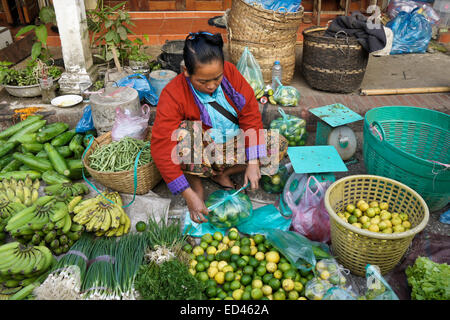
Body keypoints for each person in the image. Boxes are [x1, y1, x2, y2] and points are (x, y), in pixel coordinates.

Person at [151, 32, 287, 224]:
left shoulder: (231, 74)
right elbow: (162, 146)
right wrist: (188, 194)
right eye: (203, 81)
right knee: (185, 130)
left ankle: (223, 173)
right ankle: (196, 184)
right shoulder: (173, 94)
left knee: (277, 144)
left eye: (217, 78)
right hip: (205, 150)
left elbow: (250, 115)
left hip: (232, 145)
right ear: (186, 72)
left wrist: (254, 161)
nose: (212, 85)